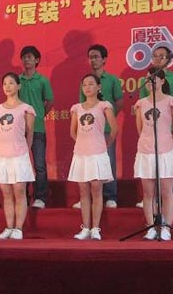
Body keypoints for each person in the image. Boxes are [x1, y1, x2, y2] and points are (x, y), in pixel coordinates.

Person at [134, 68, 173, 241]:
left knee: (167, 192)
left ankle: (166, 228)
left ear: (162, 81)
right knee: (148, 194)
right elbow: (140, 129)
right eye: (147, 79)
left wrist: (168, 144)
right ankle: (151, 226)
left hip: (165, 151)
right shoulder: (141, 103)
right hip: (146, 151)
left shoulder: (171, 102)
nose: (150, 82)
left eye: (153, 79)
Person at [69, 74, 118, 240]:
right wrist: (83, 144)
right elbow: (73, 131)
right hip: (81, 154)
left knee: (97, 189)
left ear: (99, 87)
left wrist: (103, 144)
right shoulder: (77, 108)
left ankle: (96, 228)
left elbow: (114, 129)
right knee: (83, 191)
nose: (87, 87)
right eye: (84, 85)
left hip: (98, 154)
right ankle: (85, 228)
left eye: (91, 84)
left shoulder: (104, 106)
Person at [74, 44, 123, 209]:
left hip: (106, 130)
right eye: (90, 57)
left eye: (96, 57)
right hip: (88, 132)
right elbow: (82, 106)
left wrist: (106, 119)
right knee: (87, 164)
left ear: (104, 59)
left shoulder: (112, 80)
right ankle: (86, 198)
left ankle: (110, 196)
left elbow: (119, 102)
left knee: (107, 162)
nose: (93, 60)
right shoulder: (85, 81)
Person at [138, 46, 173, 208]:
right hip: (150, 129)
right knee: (151, 165)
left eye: (162, 56)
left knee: (171, 163)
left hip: (168, 129)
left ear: (169, 59)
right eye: (155, 56)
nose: (158, 59)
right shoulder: (145, 80)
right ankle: (152, 197)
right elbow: (142, 106)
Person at [0, 73, 36, 240]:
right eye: (5, 83)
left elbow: (30, 133)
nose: (7, 86)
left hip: (20, 155)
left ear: (19, 86)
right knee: (6, 193)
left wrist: (24, 151)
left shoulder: (26, 109)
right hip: (2, 155)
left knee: (19, 191)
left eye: (11, 83)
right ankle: (9, 227)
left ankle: (18, 228)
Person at [19, 46, 54, 209]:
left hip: (38, 128)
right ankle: (23, 196)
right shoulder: (17, 80)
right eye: (24, 57)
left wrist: (39, 115)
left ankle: (40, 197)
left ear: (37, 60)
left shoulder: (42, 81)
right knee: (21, 164)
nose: (26, 60)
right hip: (19, 130)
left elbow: (50, 101)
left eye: (30, 57)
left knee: (39, 165)